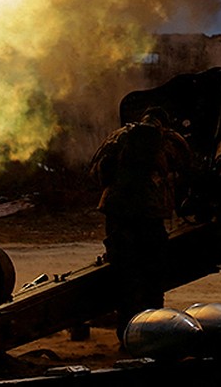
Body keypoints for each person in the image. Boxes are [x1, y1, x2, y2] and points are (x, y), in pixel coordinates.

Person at [89, 106, 193, 339]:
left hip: (117, 214)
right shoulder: (170, 140)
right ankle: (153, 332)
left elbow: (96, 172)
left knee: (124, 277)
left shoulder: (119, 136)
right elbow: (188, 170)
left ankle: (126, 335)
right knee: (153, 279)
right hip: (151, 215)